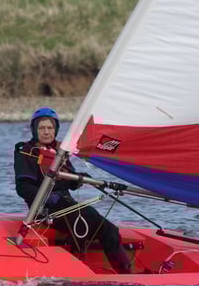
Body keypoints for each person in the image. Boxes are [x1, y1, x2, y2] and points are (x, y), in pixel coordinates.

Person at [14, 107, 131, 274]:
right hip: (45, 210)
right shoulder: (25, 152)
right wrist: (47, 198)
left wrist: (80, 178)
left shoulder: (60, 151)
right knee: (81, 219)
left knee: (109, 229)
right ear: (34, 130)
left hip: (67, 204)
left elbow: (71, 183)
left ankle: (126, 275)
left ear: (56, 129)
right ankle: (76, 270)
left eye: (50, 128)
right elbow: (23, 187)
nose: (46, 132)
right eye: (42, 128)